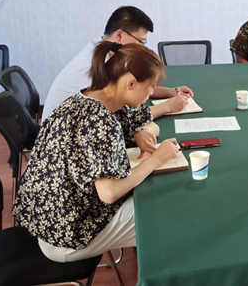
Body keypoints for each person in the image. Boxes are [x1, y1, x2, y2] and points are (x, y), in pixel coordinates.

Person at [13, 41, 180, 262]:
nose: (150, 94)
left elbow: (138, 119)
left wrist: (142, 131)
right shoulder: (101, 120)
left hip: (49, 220)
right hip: (67, 235)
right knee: (166, 212)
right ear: (130, 83)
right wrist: (156, 159)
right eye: (150, 87)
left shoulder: (89, 98)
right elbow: (109, 193)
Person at [42, 6, 193, 121]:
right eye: (140, 42)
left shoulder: (102, 50)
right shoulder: (90, 69)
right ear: (120, 35)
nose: (141, 48)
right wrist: (167, 107)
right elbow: (117, 119)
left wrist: (169, 92)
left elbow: (135, 86)